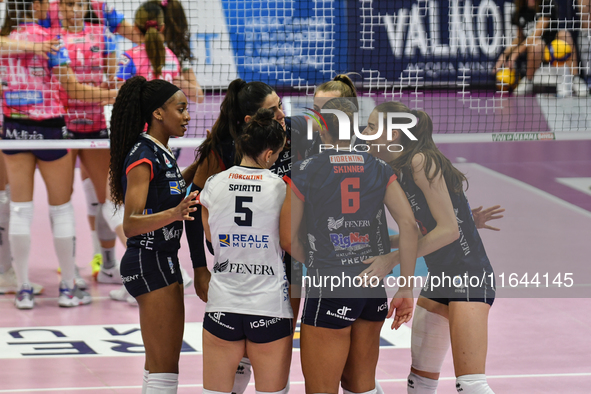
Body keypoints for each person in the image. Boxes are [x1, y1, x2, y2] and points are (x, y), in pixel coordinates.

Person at [359, 101, 497, 394]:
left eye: (371, 127)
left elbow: (449, 231)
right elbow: (425, 230)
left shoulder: (420, 160)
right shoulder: (391, 169)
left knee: (471, 385)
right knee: (419, 382)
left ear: (393, 135)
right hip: (440, 277)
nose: (365, 132)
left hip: (468, 275)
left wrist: (390, 260)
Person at [284, 97, 418, 394]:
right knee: (361, 386)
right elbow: (409, 226)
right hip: (372, 289)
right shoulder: (379, 167)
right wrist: (406, 287)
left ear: (322, 130)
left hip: (331, 286)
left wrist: (319, 263)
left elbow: (287, 237)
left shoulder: (306, 169)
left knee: (322, 388)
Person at [0, 0, 117, 309]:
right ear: (35, 6)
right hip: (51, 130)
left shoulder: (6, 42)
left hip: (14, 130)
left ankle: (23, 288)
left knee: (20, 210)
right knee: (61, 209)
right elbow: (73, 90)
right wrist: (115, 94)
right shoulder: (53, 41)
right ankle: (67, 287)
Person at [108, 76, 198, 394]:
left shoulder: (161, 152)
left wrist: (200, 167)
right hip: (148, 259)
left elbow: (169, 192)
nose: (187, 115)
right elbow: (131, 223)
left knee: (162, 365)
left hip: (164, 259)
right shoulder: (142, 154)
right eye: (181, 108)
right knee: (164, 366)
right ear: (158, 113)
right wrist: (176, 213)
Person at [198, 108, 291, 394]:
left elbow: (212, 240)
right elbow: (288, 241)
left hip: (223, 304)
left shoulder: (213, 184)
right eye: (277, 155)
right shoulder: (281, 188)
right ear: (268, 155)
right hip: (268, 305)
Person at [54, 0, 123, 285]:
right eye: (68, 4)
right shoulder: (52, 37)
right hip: (61, 126)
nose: (74, 9)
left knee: (108, 197)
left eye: (79, 3)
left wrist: (115, 88)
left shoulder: (103, 35)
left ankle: (109, 266)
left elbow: (111, 79)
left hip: (95, 125)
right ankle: (68, 270)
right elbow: (63, 85)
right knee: (62, 199)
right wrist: (110, 95)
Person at [493, 0, 587, 96]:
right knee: (537, 44)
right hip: (536, 53)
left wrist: (515, 54)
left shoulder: (547, 5)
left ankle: (576, 79)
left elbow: (537, 34)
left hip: (554, 50)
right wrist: (504, 55)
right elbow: (519, 39)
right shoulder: (519, 12)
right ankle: (528, 81)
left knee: (564, 34)